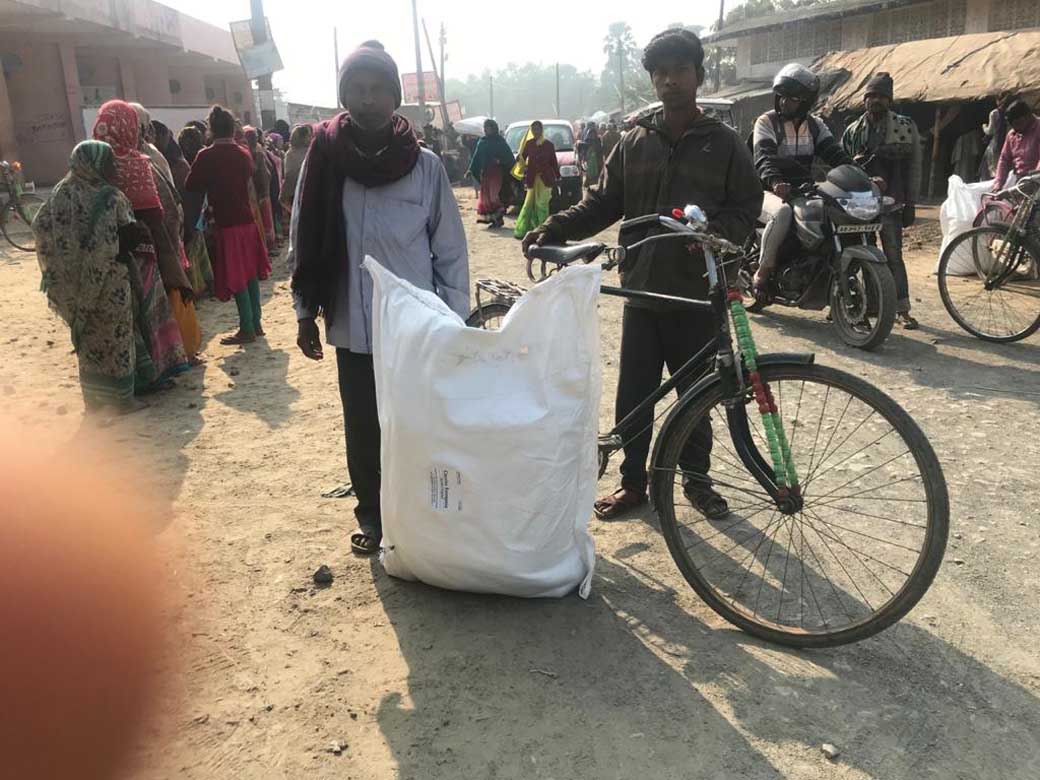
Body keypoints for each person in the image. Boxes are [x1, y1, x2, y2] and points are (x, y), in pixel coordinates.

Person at [522, 28, 762, 520]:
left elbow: (746, 205)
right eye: (661, 73)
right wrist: (554, 227)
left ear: (698, 75)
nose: (670, 81)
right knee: (635, 393)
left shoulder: (723, 143)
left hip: (697, 293)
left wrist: (715, 234)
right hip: (643, 289)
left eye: (680, 70)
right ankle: (633, 483)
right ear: (653, 80)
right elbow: (602, 202)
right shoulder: (634, 141)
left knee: (695, 394)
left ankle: (697, 480)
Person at [290, 40, 469, 556]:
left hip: (415, 328)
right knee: (364, 426)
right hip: (352, 322)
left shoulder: (425, 167)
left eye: (377, 90)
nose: (367, 100)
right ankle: (373, 515)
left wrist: (453, 320)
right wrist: (305, 312)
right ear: (343, 96)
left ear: (395, 98)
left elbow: (450, 249)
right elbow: (304, 234)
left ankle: (420, 514)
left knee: (415, 423)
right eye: (357, 90)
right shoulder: (326, 161)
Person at [31, 141, 148, 412]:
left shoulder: (59, 194)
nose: (114, 167)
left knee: (88, 342)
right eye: (108, 162)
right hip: (110, 282)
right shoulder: (111, 197)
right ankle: (124, 400)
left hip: (73, 288)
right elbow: (127, 235)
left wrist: (62, 266)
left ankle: (93, 401)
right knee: (118, 338)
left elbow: (39, 226)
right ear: (94, 165)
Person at [92, 100, 190, 386]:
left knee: (116, 321)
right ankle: (152, 375)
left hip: (101, 259)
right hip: (141, 256)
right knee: (146, 316)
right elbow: (157, 214)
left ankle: (122, 380)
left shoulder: (88, 162)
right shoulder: (136, 163)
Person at [751, 63, 854, 303]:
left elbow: (836, 155)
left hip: (803, 190)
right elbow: (764, 157)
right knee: (783, 213)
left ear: (806, 102)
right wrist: (775, 181)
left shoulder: (816, 126)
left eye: (793, 98)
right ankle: (762, 272)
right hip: (765, 189)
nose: (784, 102)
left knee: (831, 212)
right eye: (782, 96)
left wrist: (862, 175)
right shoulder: (766, 122)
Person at [842, 72, 922, 329]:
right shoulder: (853, 131)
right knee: (863, 255)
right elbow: (841, 166)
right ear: (864, 99)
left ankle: (902, 308)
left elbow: (914, 167)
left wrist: (911, 203)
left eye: (881, 96)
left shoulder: (904, 126)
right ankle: (870, 305)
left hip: (891, 203)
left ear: (890, 100)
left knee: (893, 256)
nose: (875, 100)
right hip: (860, 205)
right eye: (871, 95)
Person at [185, 105, 271, 345]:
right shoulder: (242, 153)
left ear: (211, 130)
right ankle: (256, 323)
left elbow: (191, 185)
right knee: (250, 273)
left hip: (227, 222)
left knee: (237, 275)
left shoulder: (206, 156)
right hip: (247, 221)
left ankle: (246, 327)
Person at [512, 120, 560, 239]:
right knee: (529, 204)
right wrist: (519, 159)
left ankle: (543, 230)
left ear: (541, 130)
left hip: (545, 179)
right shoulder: (529, 144)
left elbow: (554, 162)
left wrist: (558, 176)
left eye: (538, 129)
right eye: (533, 129)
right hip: (532, 179)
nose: (535, 132)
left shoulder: (549, 145)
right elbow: (522, 158)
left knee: (542, 204)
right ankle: (531, 229)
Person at [467, 118, 515, 228]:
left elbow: (509, 157)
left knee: (494, 196)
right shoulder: (482, 142)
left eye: (488, 128)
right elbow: (476, 157)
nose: (486, 130)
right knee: (486, 198)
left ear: (493, 128)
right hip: (485, 174)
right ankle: (494, 220)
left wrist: (500, 161)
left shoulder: (500, 142)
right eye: (485, 128)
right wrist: (471, 169)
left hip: (497, 173)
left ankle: (499, 216)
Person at [991, 99, 1040, 191]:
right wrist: (998, 184)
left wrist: (1034, 179)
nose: (1016, 129)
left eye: (1018, 123)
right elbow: (1004, 160)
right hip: (1021, 182)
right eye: (1013, 126)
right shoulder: (1012, 135)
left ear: (1027, 116)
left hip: (1036, 182)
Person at [244, 126, 278, 250]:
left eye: (256, 137)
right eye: (252, 137)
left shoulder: (256, 151)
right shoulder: (252, 152)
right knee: (263, 219)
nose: (255, 139)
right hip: (257, 190)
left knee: (265, 218)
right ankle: (266, 246)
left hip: (262, 189)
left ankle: (268, 245)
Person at [280, 123, 312, 218]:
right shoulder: (310, 152)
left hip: (294, 193)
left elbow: (288, 175)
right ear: (304, 138)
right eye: (309, 136)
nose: (311, 138)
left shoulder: (290, 153)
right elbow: (290, 174)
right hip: (304, 192)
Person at [580, 122, 603, 189]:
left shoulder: (586, 134)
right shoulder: (592, 133)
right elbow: (594, 145)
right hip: (593, 156)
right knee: (593, 171)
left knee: (591, 171)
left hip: (591, 156)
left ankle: (589, 185)